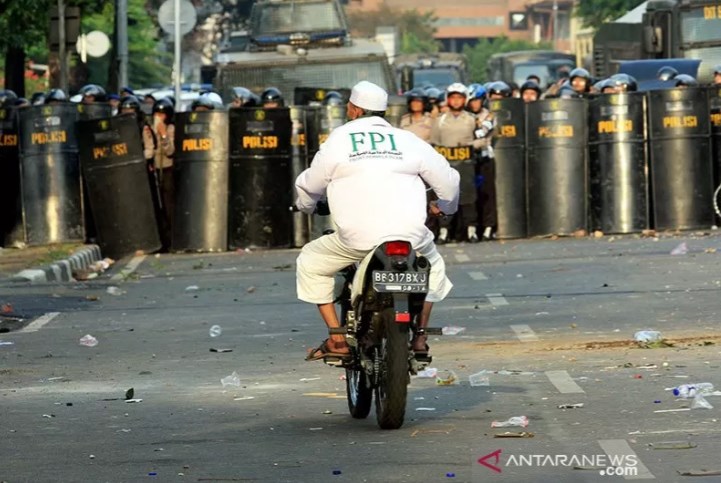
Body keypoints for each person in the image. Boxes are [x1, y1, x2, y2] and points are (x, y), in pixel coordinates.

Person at [295, 80, 460, 360]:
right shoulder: (407, 140)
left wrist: (308, 206)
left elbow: (309, 186)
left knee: (310, 262)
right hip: (409, 236)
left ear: (355, 109)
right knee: (433, 266)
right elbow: (449, 181)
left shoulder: (339, 140)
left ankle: (336, 338)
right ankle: (420, 337)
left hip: (357, 239)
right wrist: (442, 207)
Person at [430, 83, 488, 243]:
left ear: (465, 100)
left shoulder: (471, 119)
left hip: (466, 162)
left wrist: (470, 146)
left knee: (469, 196)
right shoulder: (439, 120)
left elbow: (482, 139)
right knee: (445, 195)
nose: (456, 101)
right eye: (453, 98)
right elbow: (433, 143)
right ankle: (444, 231)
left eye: (459, 98)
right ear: (448, 99)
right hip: (446, 164)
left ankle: (472, 229)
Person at [143, 98, 175, 251]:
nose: (159, 117)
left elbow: (170, 151)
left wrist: (163, 136)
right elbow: (148, 150)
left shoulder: (171, 129)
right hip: (154, 168)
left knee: (168, 205)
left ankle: (171, 239)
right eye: (157, 114)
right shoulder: (148, 128)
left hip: (168, 169)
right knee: (156, 206)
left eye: (162, 115)